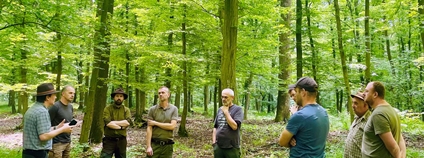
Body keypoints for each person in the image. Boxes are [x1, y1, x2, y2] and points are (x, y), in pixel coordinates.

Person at [278, 77, 329, 158]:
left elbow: (282, 141)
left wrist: (290, 139)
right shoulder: (323, 112)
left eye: (297, 92)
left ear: (303, 92)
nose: (295, 96)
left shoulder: (300, 116)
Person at [23, 83, 73, 158]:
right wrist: (62, 130)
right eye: (54, 95)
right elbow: (43, 136)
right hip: (37, 154)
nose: (55, 97)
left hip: (29, 153)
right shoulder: (42, 112)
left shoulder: (33, 108)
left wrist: (57, 127)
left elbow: (41, 130)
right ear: (47, 97)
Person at [362, 81, 406, 158]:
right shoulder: (391, 110)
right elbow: (400, 138)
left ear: (375, 94)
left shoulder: (379, 114)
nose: (363, 93)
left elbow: (392, 147)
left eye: (366, 91)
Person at [146, 86, 178, 158]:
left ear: (168, 94)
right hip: (154, 144)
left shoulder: (174, 109)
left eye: (163, 92)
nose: (160, 94)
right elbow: (149, 128)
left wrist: (155, 123)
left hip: (167, 145)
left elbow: (172, 126)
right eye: (159, 93)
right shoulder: (152, 109)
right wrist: (148, 146)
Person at [101, 88, 133, 158]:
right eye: (117, 96)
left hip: (121, 141)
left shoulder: (126, 110)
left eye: (121, 96)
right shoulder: (108, 108)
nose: (119, 98)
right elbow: (108, 123)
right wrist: (121, 126)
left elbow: (127, 122)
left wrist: (113, 123)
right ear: (114, 97)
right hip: (109, 140)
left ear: (123, 98)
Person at [212, 88, 244, 158]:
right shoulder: (220, 110)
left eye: (226, 97)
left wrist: (226, 112)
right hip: (218, 146)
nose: (223, 99)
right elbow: (215, 127)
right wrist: (214, 143)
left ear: (232, 98)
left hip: (232, 147)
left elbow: (234, 126)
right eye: (222, 97)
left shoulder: (238, 110)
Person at [48, 86, 75, 158]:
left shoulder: (70, 107)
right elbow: (46, 124)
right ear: (63, 93)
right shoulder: (55, 107)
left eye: (73, 93)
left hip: (67, 141)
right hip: (56, 143)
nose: (72, 95)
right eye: (70, 93)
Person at [344, 92, 371, 158]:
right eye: (353, 102)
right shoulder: (357, 118)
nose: (352, 105)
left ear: (365, 105)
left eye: (356, 103)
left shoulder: (370, 121)